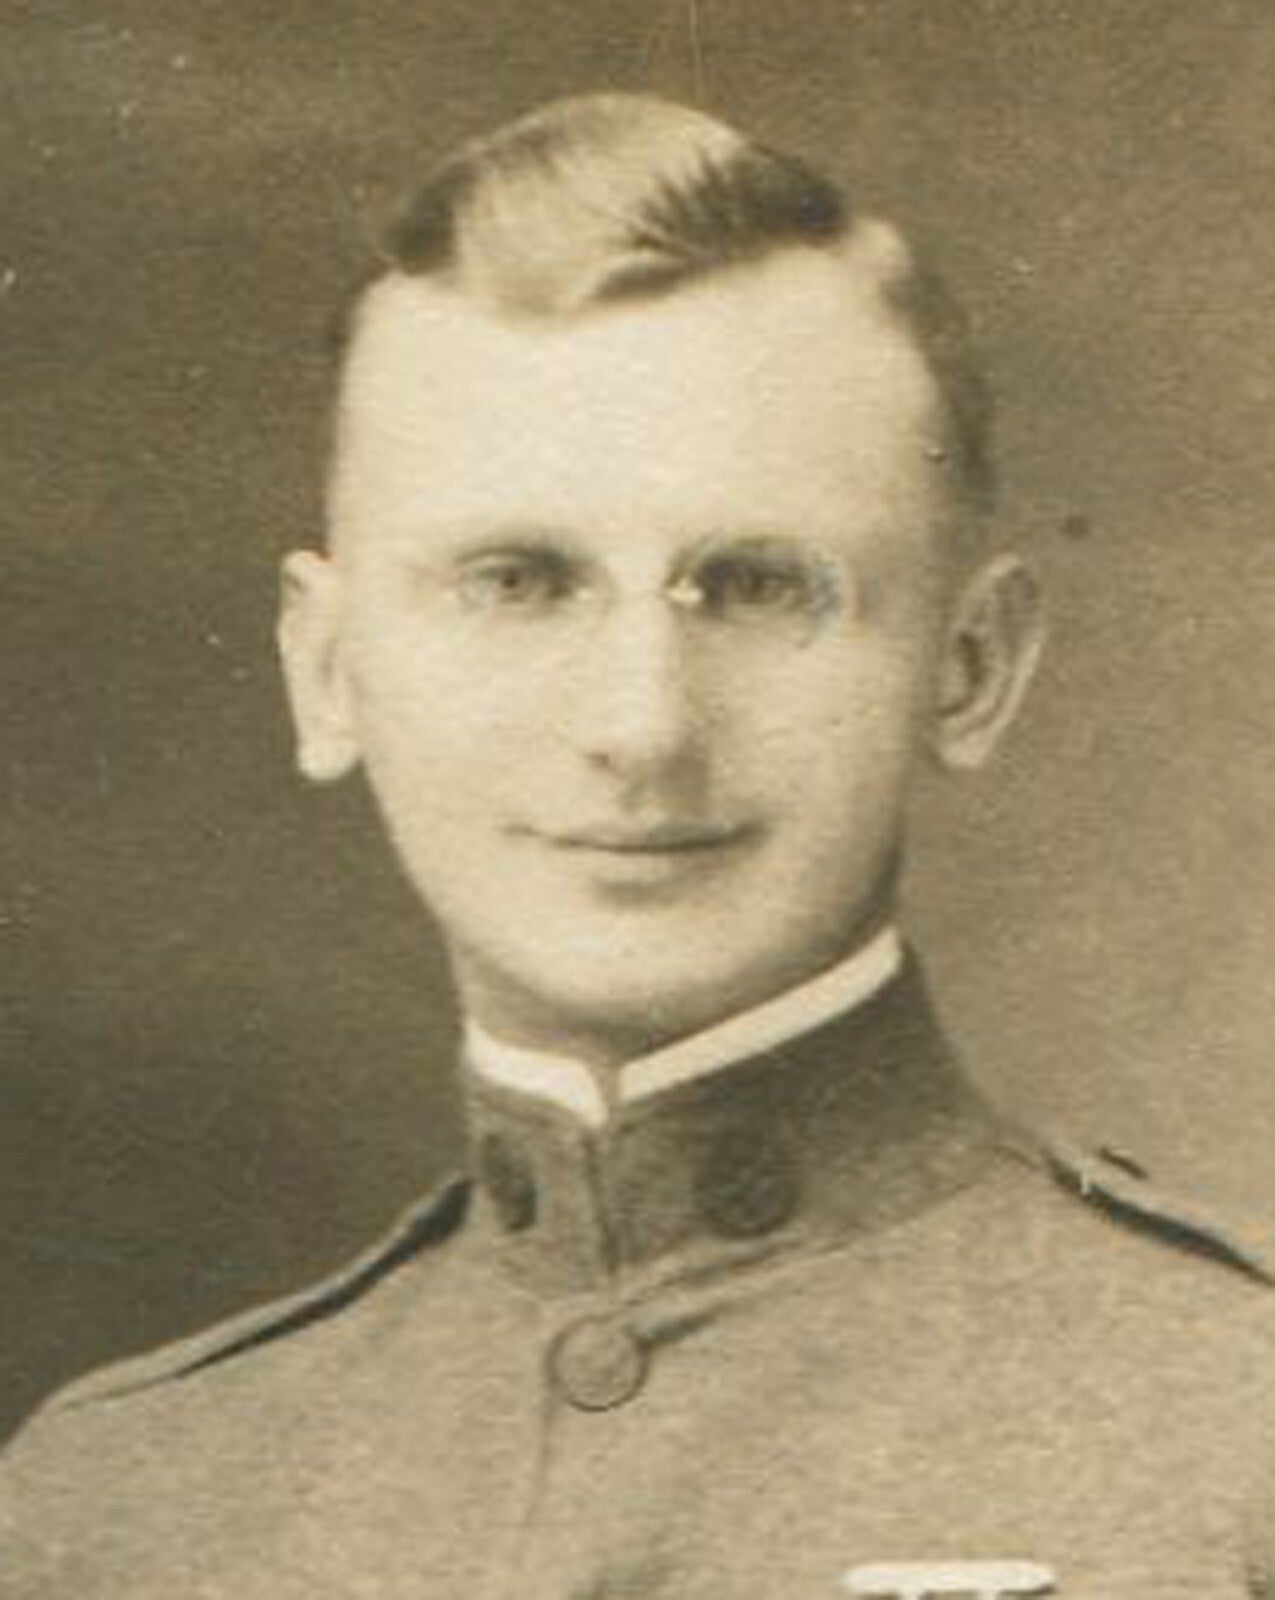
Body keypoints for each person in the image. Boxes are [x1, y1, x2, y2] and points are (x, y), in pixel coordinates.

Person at [2, 91, 1273, 1600]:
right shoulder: (110, 1509)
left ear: (970, 668)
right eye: (517, 582)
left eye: (754, 586)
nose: (639, 725)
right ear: (329, 670)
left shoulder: (1234, 1429)